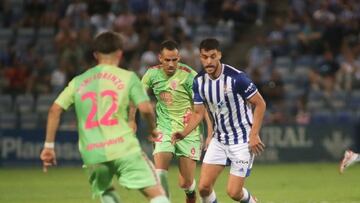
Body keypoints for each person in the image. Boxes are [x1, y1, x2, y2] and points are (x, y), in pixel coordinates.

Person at [39, 31, 170, 203]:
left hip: (93, 152)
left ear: (95, 55)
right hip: (124, 148)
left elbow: (54, 111)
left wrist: (48, 147)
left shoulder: (78, 81)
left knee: (105, 190)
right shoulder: (128, 77)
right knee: (157, 194)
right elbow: (145, 109)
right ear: (120, 53)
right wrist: (153, 130)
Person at [172, 38, 266, 203]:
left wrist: (254, 135)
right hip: (219, 140)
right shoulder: (199, 82)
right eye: (204, 57)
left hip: (241, 140)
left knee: (234, 192)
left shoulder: (237, 78)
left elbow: (260, 103)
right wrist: (184, 133)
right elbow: (198, 113)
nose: (208, 61)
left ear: (219, 55)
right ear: (200, 57)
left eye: (212, 56)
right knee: (203, 188)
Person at [131, 40, 212, 203]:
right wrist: (131, 121)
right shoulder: (151, 74)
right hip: (164, 128)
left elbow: (202, 108)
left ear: (179, 58)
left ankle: (190, 193)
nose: (171, 64)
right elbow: (136, 98)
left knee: (186, 183)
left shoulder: (190, 76)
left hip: (189, 131)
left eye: (174, 59)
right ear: (160, 58)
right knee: (160, 172)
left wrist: (210, 133)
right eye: (167, 60)